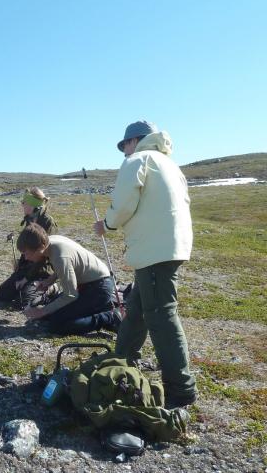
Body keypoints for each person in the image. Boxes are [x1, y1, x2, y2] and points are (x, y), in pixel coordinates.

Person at [94, 120, 197, 408]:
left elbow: (125, 201)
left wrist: (107, 224)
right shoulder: (169, 164)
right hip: (171, 246)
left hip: (155, 250)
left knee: (161, 317)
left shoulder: (138, 160)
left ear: (135, 141)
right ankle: (122, 361)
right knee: (138, 308)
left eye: (124, 145)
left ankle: (181, 389)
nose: (124, 151)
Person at [18, 224, 122, 335]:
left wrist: (42, 311)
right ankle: (95, 309)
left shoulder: (60, 257)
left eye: (26, 253)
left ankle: (109, 317)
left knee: (58, 325)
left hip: (99, 288)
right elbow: (68, 266)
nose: (26, 258)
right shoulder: (50, 242)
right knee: (51, 313)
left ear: (40, 248)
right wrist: (49, 281)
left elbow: (70, 295)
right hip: (90, 284)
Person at [0, 187, 57, 308]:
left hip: (42, 270)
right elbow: (28, 249)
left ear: (33, 205)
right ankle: (27, 289)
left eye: (24, 202)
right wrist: (20, 266)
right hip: (27, 268)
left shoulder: (47, 222)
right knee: (1, 295)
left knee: (23, 303)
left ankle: (51, 288)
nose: (22, 205)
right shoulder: (30, 219)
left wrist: (25, 279)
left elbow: (42, 256)